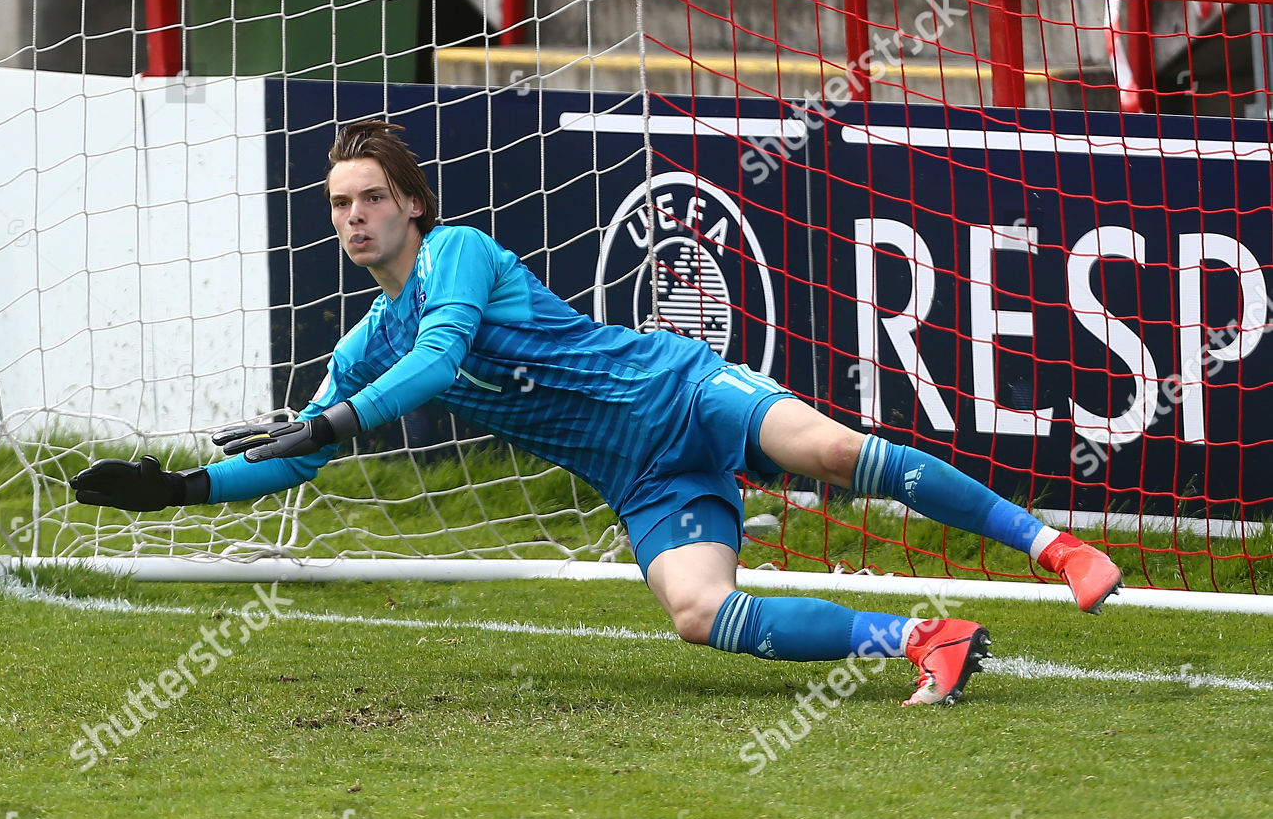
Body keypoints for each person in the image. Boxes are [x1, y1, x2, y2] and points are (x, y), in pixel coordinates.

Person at [71, 120, 1124, 706]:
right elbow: (298, 459)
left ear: (411, 205)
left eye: (371, 199)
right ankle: (922, 639)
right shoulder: (360, 346)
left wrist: (334, 422)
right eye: (341, 205)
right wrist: (187, 488)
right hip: (642, 479)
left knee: (834, 449)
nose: (354, 218)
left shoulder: (459, 256)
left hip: (679, 391)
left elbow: (440, 362)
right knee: (698, 615)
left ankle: (1055, 547)